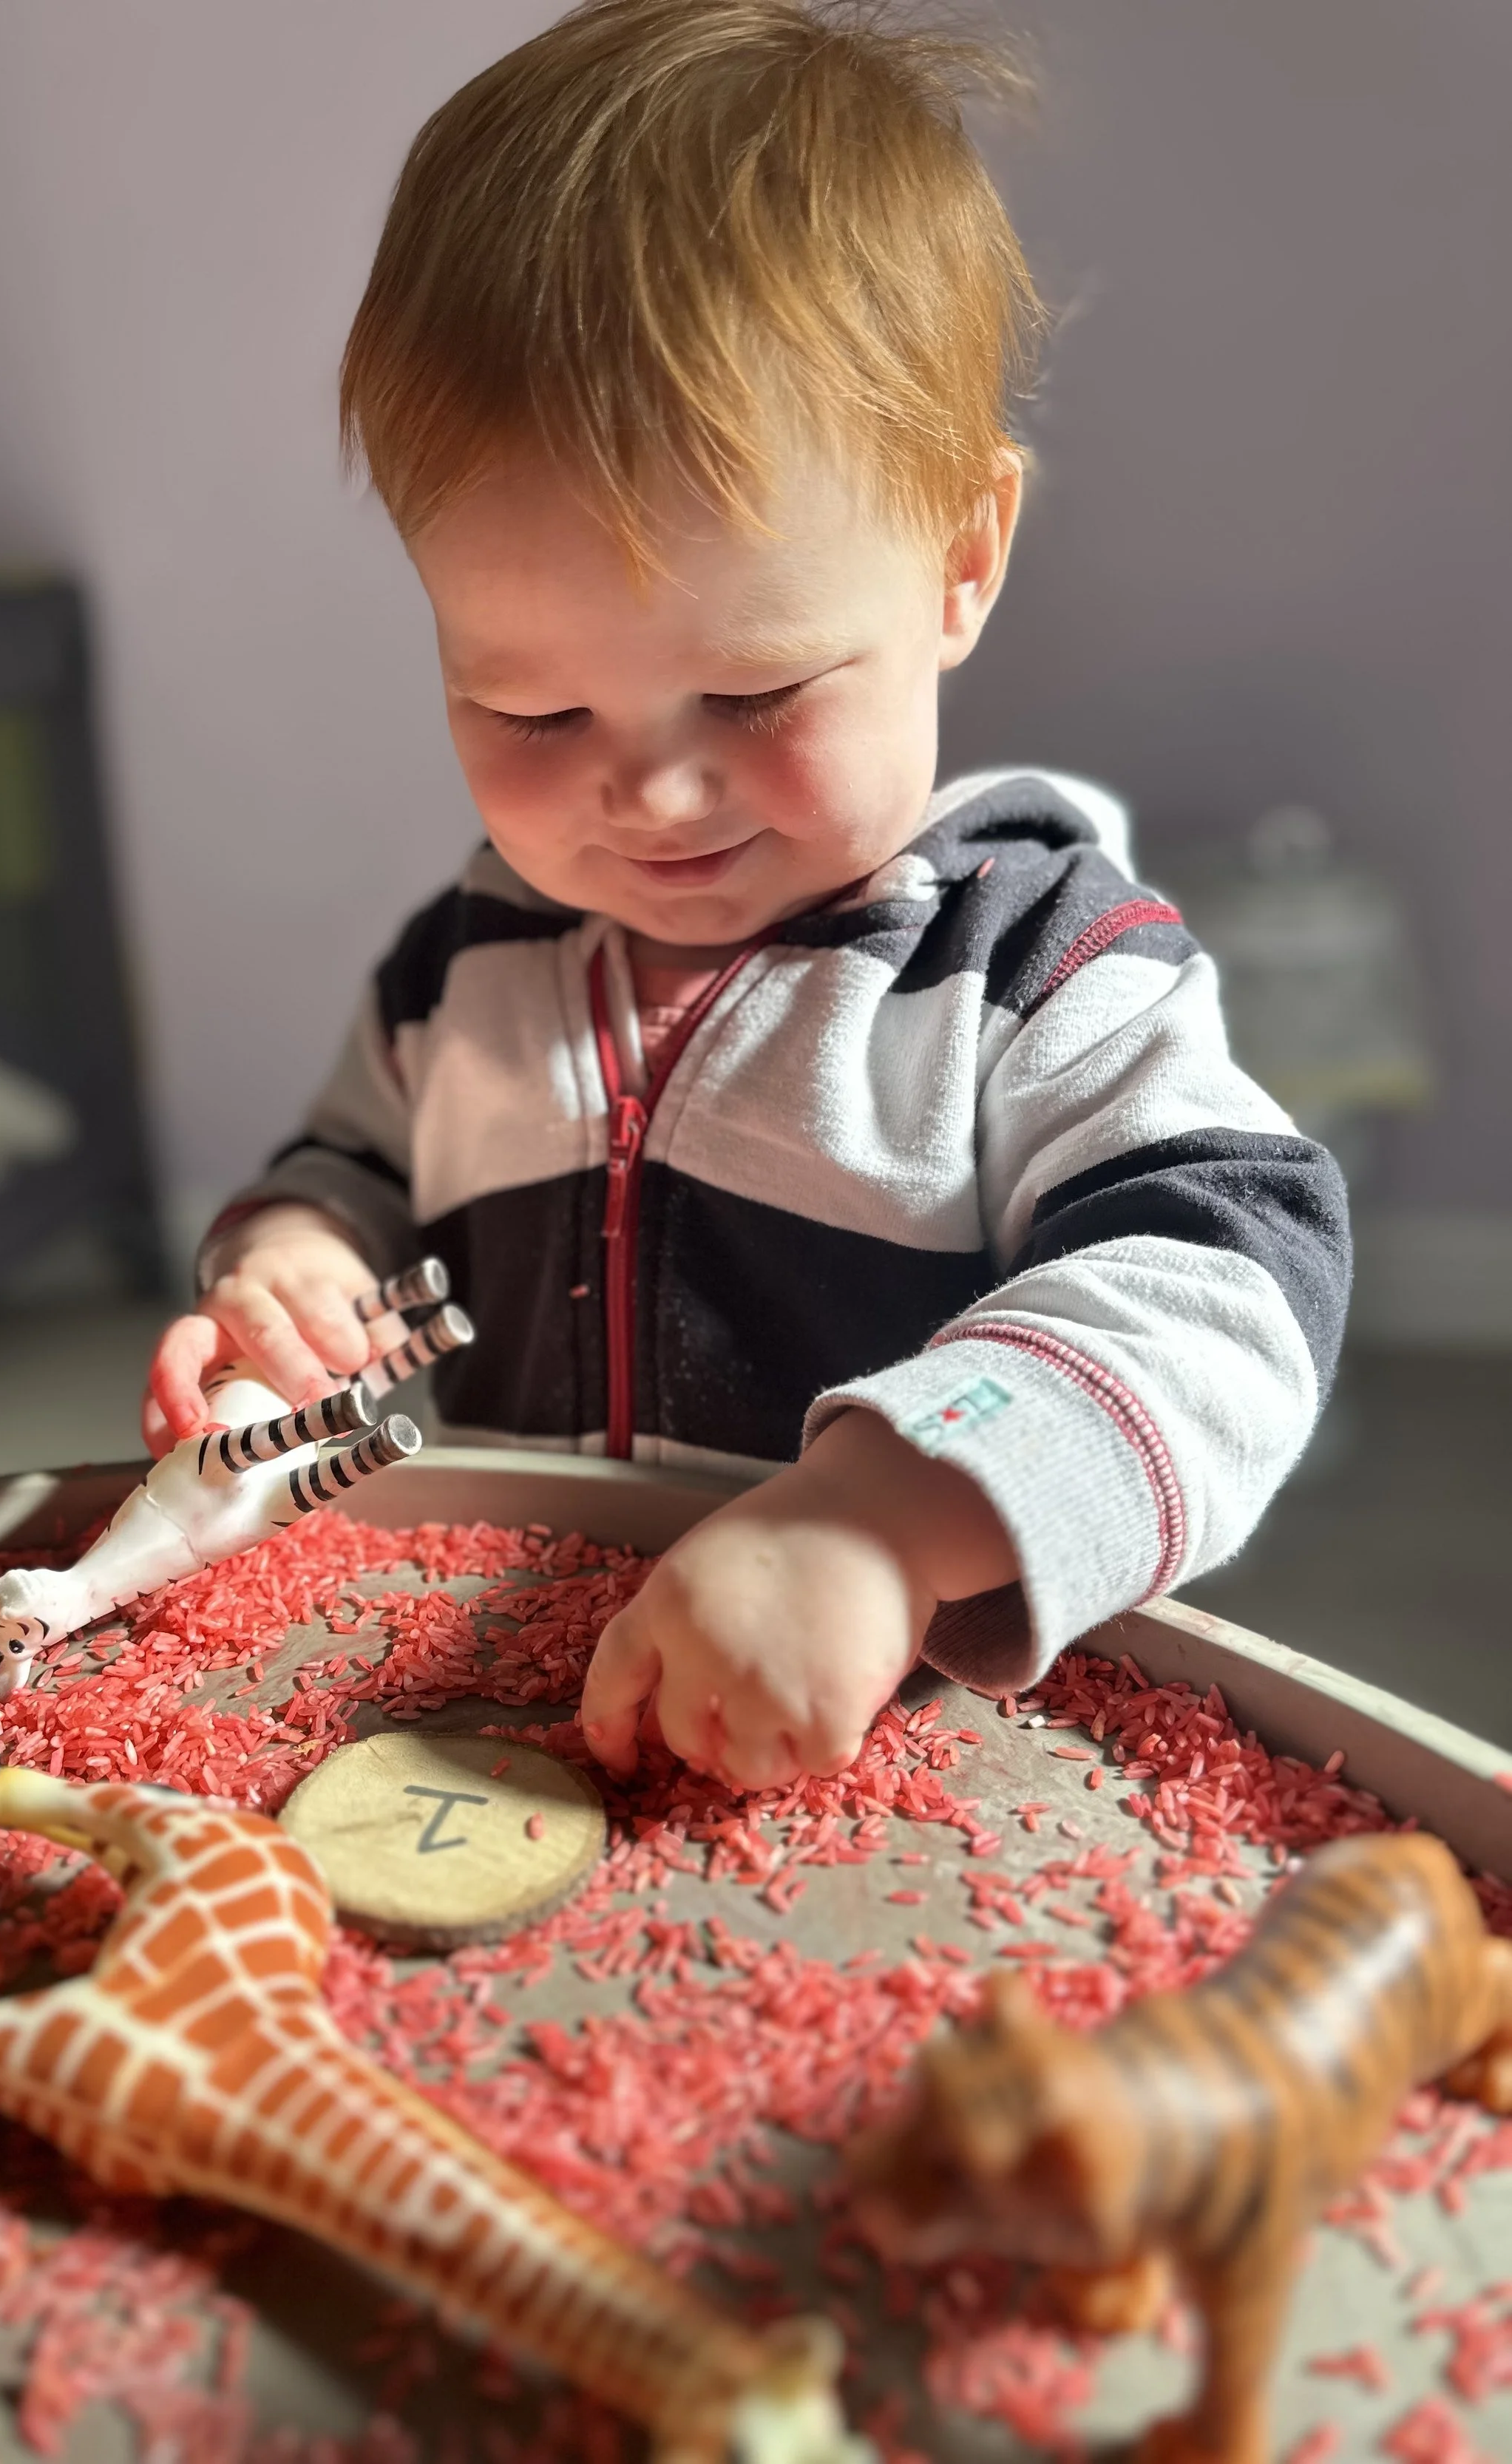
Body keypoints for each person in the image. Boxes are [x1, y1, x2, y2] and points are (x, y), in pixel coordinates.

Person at [144, 0, 1349, 1795]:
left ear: (958, 562)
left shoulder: (1036, 973)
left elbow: (1233, 1290)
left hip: (880, 1743)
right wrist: (287, 1270)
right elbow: (352, 1170)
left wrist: (878, 1525)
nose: (650, 788)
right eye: (531, 707)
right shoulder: (464, 964)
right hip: (511, 1703)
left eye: (755, 691)